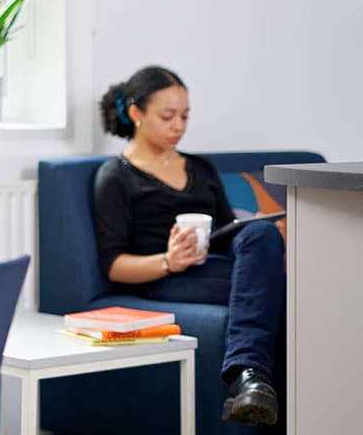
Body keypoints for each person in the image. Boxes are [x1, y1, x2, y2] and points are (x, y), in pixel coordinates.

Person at [95, 66, 285, 427]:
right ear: (136, 113)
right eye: (167, 116)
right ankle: (251, 379)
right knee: (280, 291)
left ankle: (252, 382)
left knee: (261, 236)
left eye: (184, 116)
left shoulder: (200, 167)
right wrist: (168, 261)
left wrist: (262, 229)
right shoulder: (116, 177)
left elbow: (228, 234)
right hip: (167, 279)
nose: (178, 125)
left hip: (216, 265)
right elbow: (114, 264)